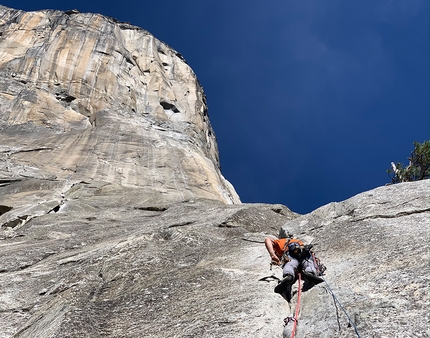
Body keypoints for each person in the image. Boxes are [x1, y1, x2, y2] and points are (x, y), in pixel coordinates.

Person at [264, 236, 323, 300]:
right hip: (304, 251)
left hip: (290, 252)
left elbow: (267, 239)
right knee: (308, 262)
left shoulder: (281, 243)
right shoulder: (298, 242)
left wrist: (272, 255)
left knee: (290, 264)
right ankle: (310, 273)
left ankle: (289, 275)